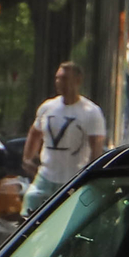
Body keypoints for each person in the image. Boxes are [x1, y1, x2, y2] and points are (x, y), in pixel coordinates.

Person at [25, 63, 106, 212]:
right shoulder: (48, 107)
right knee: (28, 210)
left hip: (73, 178)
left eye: (64, 79)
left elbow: (96, 146)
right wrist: (28, 158)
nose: (59, 83)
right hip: (46, 176)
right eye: (57, 79)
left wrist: (90, 174)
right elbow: (35, 133)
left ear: (78, 80)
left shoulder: (91, 112)